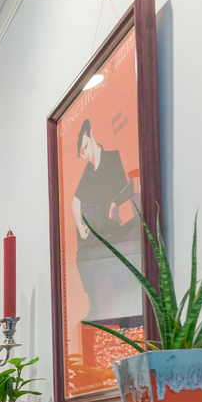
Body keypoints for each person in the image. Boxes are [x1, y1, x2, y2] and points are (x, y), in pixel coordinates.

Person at [70, 118, 143, 322]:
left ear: (91, 135)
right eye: (82, 152)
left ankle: (127, 310)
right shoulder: (89, 170)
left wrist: (115, 204)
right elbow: (74, 203)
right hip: (101, 227)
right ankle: (93, 305)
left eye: (85, 147)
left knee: (119, 257)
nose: (85, 154)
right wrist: (81, 227)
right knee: (80, 257)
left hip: (119, 222)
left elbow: (128, 186)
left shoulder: (112, 158)